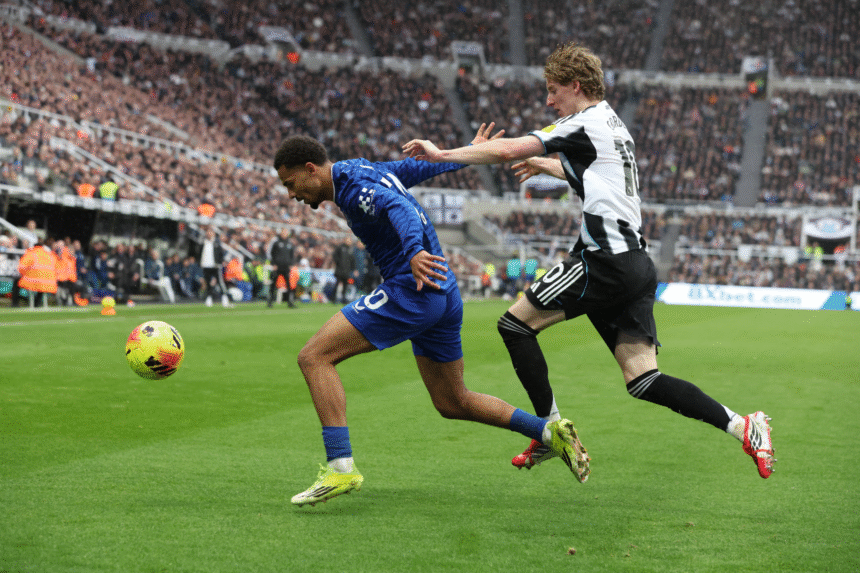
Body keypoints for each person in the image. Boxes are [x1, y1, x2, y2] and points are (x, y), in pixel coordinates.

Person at [403, 41, 775, 480]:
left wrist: (443, 154)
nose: (548, 100)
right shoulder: (615, 125)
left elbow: (508, 150)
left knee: (514, 325)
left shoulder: (582, 121)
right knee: (643, 379)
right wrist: (545, 166)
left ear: (575, 86)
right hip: (635, 264)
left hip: (605, 261)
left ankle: (550, 430)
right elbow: (591, 174)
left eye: (553, 90)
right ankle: (742, 426)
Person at [273, 124, 589, 508]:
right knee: (452, 401)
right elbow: (406, 172)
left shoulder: (355, 190)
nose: (291, 194)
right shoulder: (356, 170)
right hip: (442, 290)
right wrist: (457, 156)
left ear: (311, 168)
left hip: (414, 287)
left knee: (314, 357)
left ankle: (340, 467)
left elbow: (400, 207)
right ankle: (550, 432)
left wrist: (412, 251)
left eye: (291, 183)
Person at [198, 227, 230, 308]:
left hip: (215, 266)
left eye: (210, 232)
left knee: (220, 282)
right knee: (208, 283)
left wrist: (220, 262)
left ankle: (224, 298)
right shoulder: (203, 243)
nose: (209, 234)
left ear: (213, 234)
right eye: (207, 232)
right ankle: (209, 299)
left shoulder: (216, 243)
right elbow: (199, 254)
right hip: (206, 265)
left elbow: (220, 254)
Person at [267, 226, 296, 308]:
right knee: (273, 284)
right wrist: (273, 264)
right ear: (281, 233)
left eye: (286, 232)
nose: (285, 234)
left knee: (289, 285)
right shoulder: (276, 242)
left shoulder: (289, 243)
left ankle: (290, 302)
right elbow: (271, 254)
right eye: (284, 232)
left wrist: (291, 264)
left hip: (286, 267)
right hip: (277, 266)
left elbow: (292, 255)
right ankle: (270, 301)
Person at [331, 236, 356, 304]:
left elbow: (352, 260)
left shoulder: (351, 250)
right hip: (339, 270)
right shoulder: (340, 247)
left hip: (347, 271)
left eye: (350, 241)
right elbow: (334, 255)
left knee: (345, 286)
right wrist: (338, 263)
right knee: (337, 285)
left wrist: (354, 269)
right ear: (345, 240)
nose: (349, 242)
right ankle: (333, 299)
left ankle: (343, 299)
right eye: (348, 240)